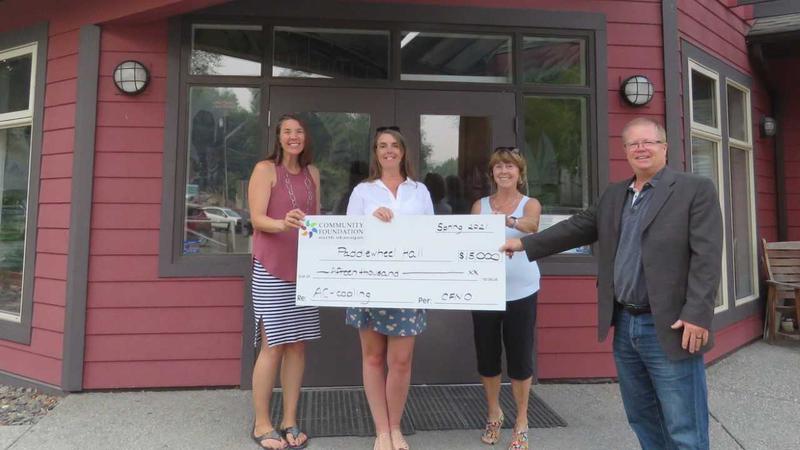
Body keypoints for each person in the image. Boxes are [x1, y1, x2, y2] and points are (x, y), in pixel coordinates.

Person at [501, 118, 723, 449]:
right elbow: (576, 228)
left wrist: (697, 314)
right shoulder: (615, 195)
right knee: (642, 416)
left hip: (672, 324)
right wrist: (523, 244)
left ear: (664, 147)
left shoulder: (694, 189)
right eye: (633, 144)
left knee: (684, 425)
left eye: (648, 142)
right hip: (625, 323)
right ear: (625, 151)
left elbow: (707, 256)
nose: (641, 148)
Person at [345, 127, 434, 450]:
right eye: (382, 146)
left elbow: (432, 235)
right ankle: (381, 430)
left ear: (403, 151)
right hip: (369, 283)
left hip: (407, 285)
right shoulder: (363, 191)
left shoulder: (420, 191)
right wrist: (371, 218)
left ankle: (395, 426)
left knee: (401, 361)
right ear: (376, 153)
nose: (388, 150)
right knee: (372, 358)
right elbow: (348, 236)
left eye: (394, 145)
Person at [248, 114, 321, 450]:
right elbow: (256, 219)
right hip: (271, 268)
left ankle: (289, 419)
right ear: (278, 137)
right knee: (273, 345)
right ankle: (262, 423)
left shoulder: (313, 173)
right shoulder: (265, 169)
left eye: (299, 131)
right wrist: (283, 223)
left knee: (298, 345)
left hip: (305, 271)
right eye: (287, 131)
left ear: (306, 137)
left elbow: (316, 220)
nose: (294, 136)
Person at [471, 147, 541, 450]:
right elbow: (470, 239)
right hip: (485, 291)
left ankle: (522, 420)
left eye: (509, 166)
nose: (504, 171)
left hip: (521, 290)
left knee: (520, 357)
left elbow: (532, 226)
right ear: (492, 173)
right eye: (498, 166)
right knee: (487, 357)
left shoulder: (529, 204)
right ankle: (494, 414)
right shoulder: (480, 205)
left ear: (519, 173)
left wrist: (508, 222)